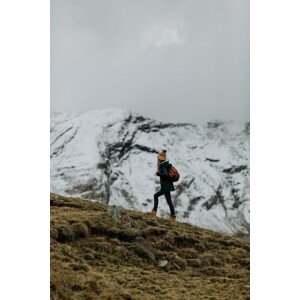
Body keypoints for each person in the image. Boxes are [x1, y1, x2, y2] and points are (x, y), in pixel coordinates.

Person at [150, 149, 176, 221]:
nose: (157, 160)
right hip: (168, 185)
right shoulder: (166, 164)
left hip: (165, 186)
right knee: (169, 201)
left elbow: (165, 174)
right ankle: (173, 216)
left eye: (158, 159)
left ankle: (154, 211)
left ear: (160, 159)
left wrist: (158, 174)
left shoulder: (162, 166)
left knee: (156, 196)